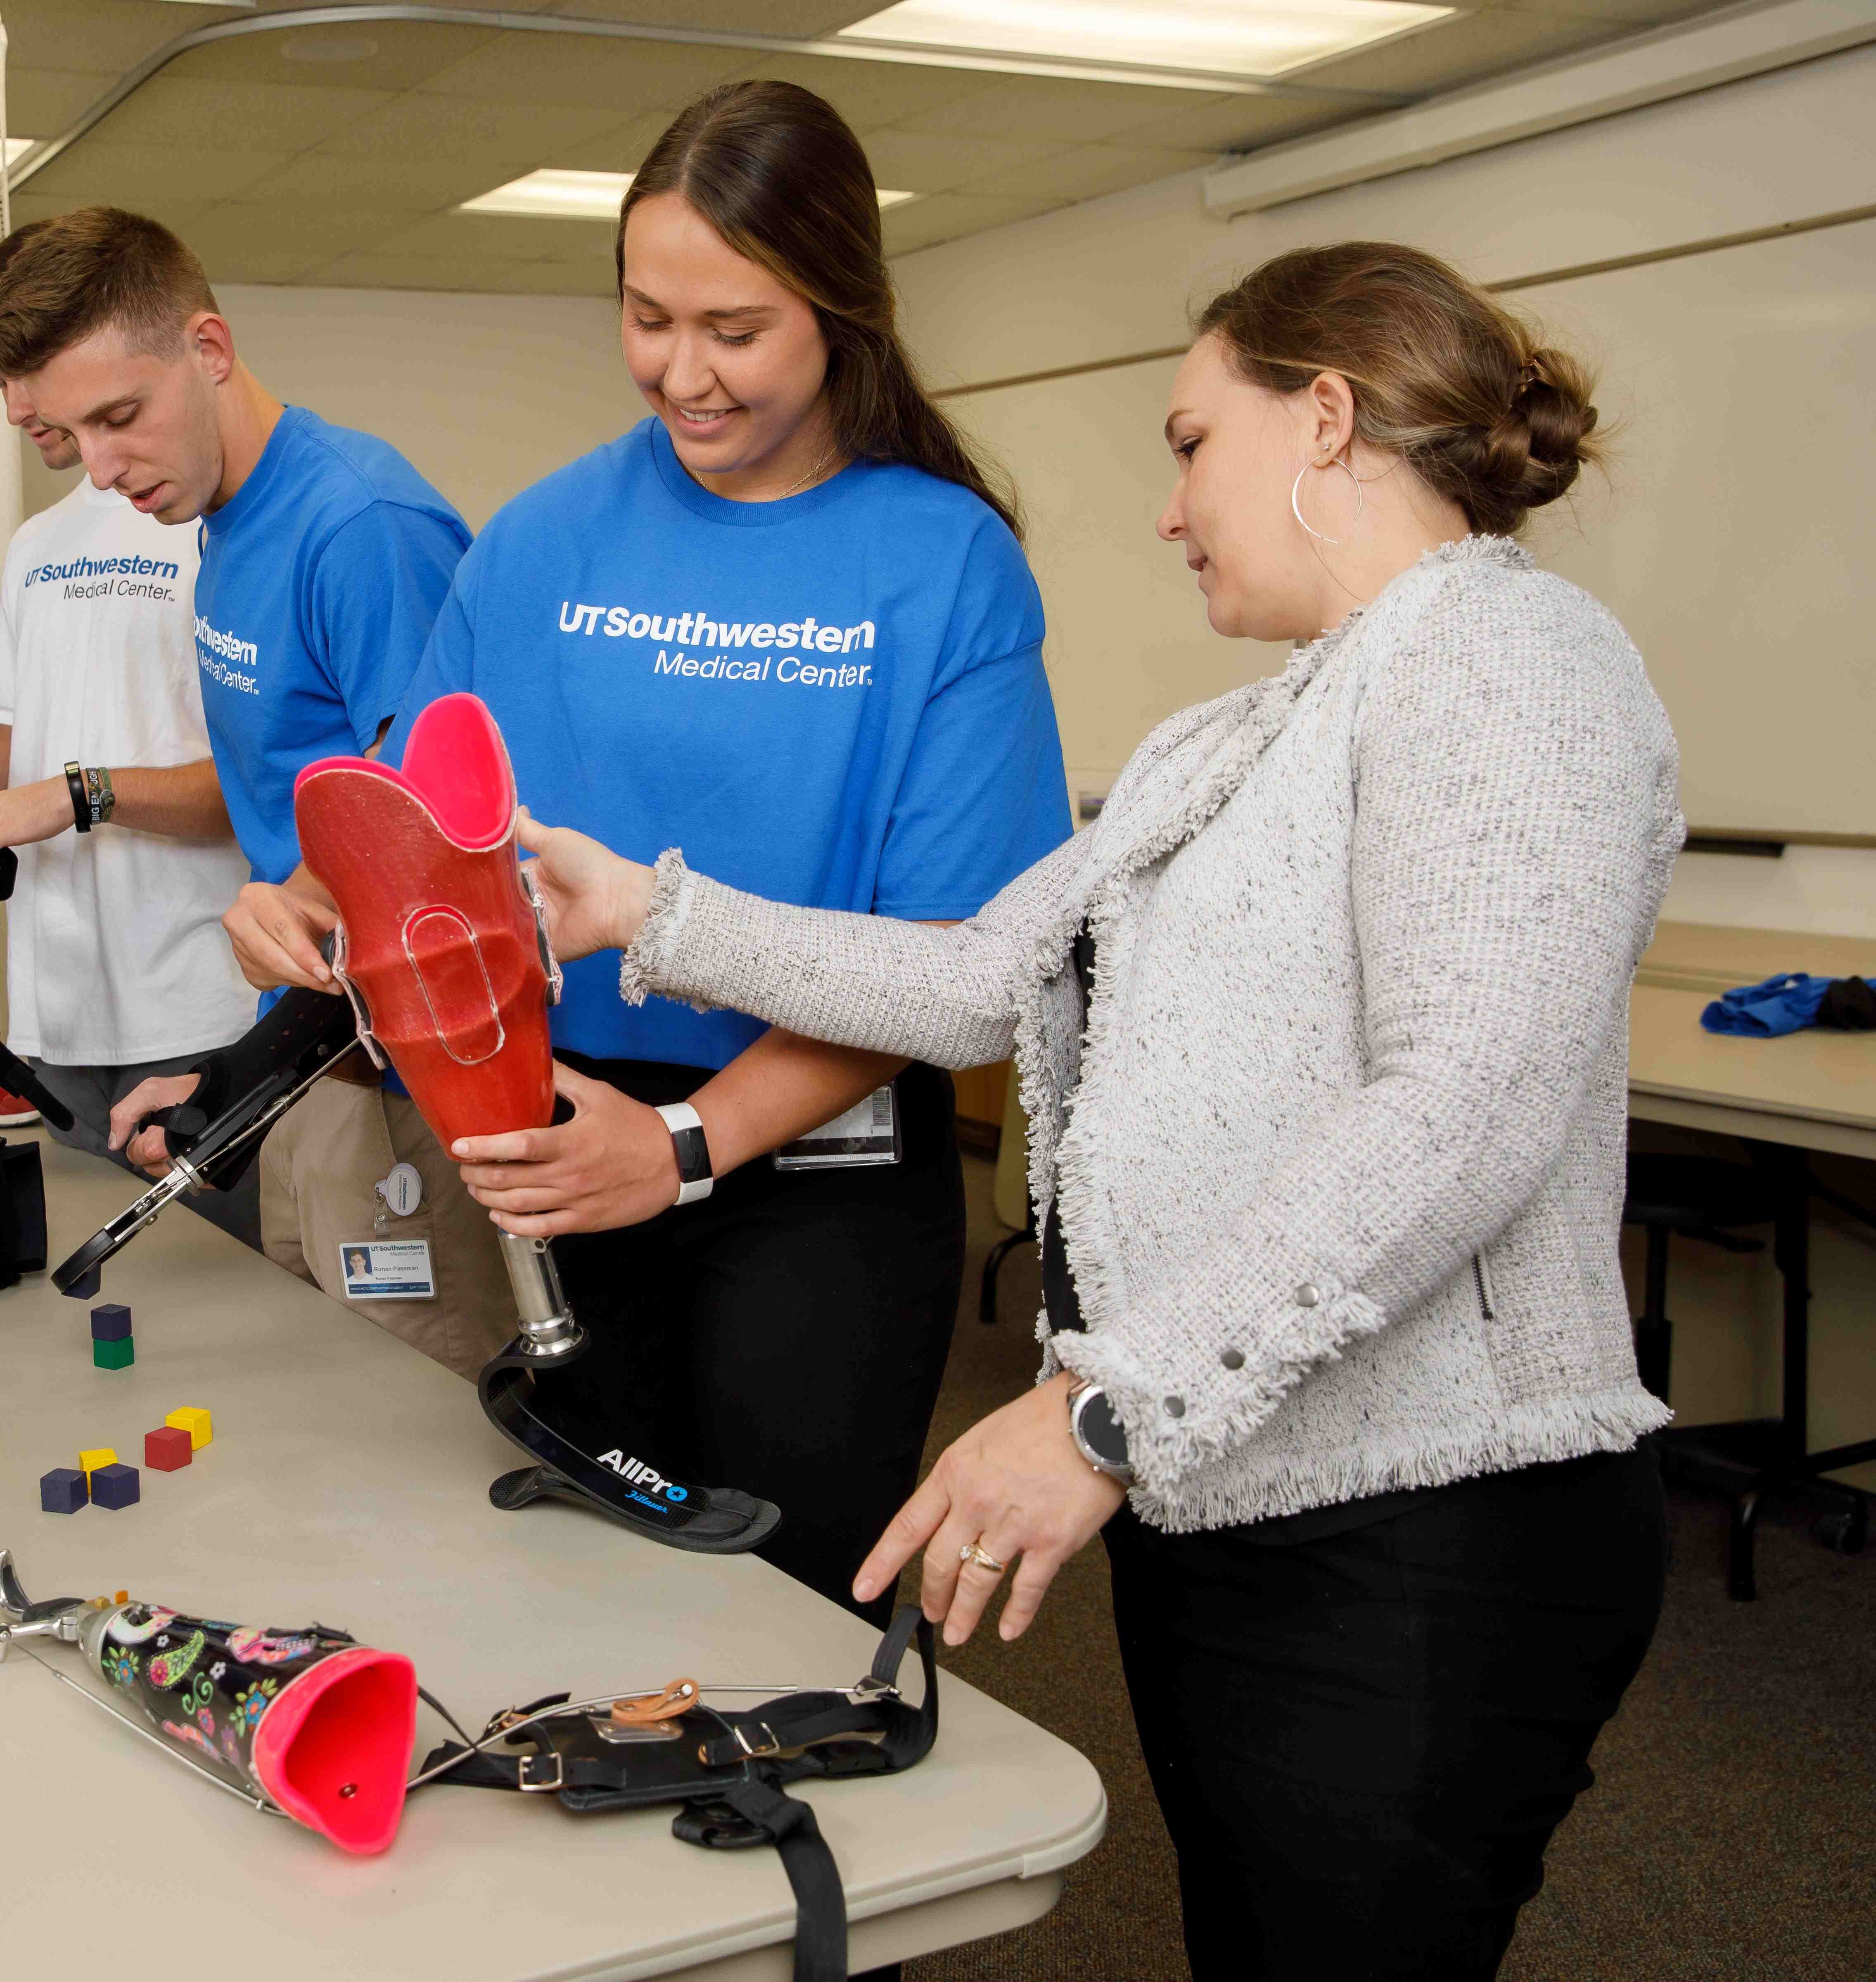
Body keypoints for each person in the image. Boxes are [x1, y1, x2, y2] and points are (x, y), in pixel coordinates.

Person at [474, 243, 1683, 1980]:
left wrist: (1105, 1411)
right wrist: (649, 916)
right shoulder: (1230, 742)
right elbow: (980, 975)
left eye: (1193, 443)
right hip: (1230, 1486)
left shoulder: (1502, 656)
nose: (1172, 510)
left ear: (1323, 417)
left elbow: (1466, 1108)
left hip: (1423, 1530)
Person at [227, 81, 1070, 1620]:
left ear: (841, 308)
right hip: (565, 1139)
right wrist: (299, 897)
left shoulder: (944, 564)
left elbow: (961, 964)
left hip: (821, 1157)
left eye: (735, 330)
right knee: (586, 1592)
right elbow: (417, 817)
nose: (683, 373)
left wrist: (687, 1148)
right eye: (647, 317)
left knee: (792, 1604)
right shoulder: (546, 538)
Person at [0, 207, 512, 1377]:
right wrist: (244, 1061)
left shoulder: (362, 526)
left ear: (211, 350)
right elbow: (309, 810)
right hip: (316, 1046)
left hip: (404, 1070)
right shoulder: (223, 518)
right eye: (70, 438)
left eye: (123, 418)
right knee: (312, 1384)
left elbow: (435, 834)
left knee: (408, 1403)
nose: (107, 469)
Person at [0, 220, 258, 1246]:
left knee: (241, 1313)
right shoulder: (37, 542)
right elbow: (18, 736)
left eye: (119, 414)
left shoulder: (213, 520)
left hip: (200, 1007)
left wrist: (76, 792)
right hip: (56, 1012)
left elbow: (266, 785)